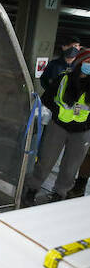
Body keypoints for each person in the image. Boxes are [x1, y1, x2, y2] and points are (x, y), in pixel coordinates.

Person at [22, 48, 90, 206]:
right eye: (88, 62)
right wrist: (58, 110)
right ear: (80, 63)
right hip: (58, 126)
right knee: (46, 160)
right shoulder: (63, 79)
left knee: (71, 165)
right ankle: (32, 189)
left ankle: (60, 194)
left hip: (82, 132)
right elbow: (47, 98)